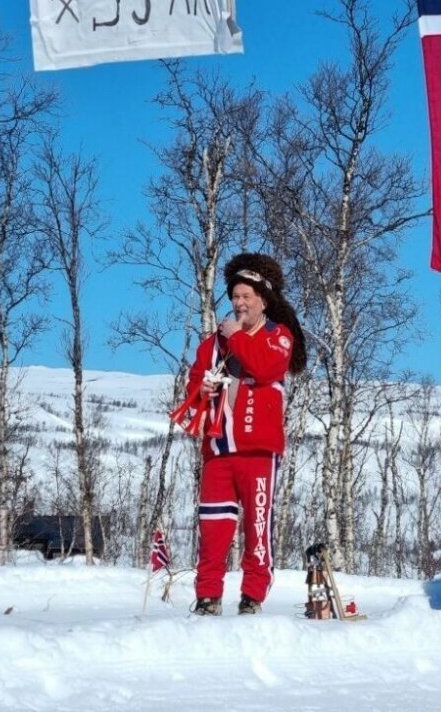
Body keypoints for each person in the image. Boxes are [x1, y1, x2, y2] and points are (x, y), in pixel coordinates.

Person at [184, 253, 307, 616]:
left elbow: (265, 368)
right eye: (235, 296)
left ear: (263, 301)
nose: (239, 303)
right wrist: (201, 391)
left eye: (246, 297)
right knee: (213, 529)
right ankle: (207, 597)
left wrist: (236, 337)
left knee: (257, 526)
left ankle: (252, 596)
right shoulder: (213, 344)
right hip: (218, 450)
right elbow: (194, 383)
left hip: (258, 451)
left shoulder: (277, 336)